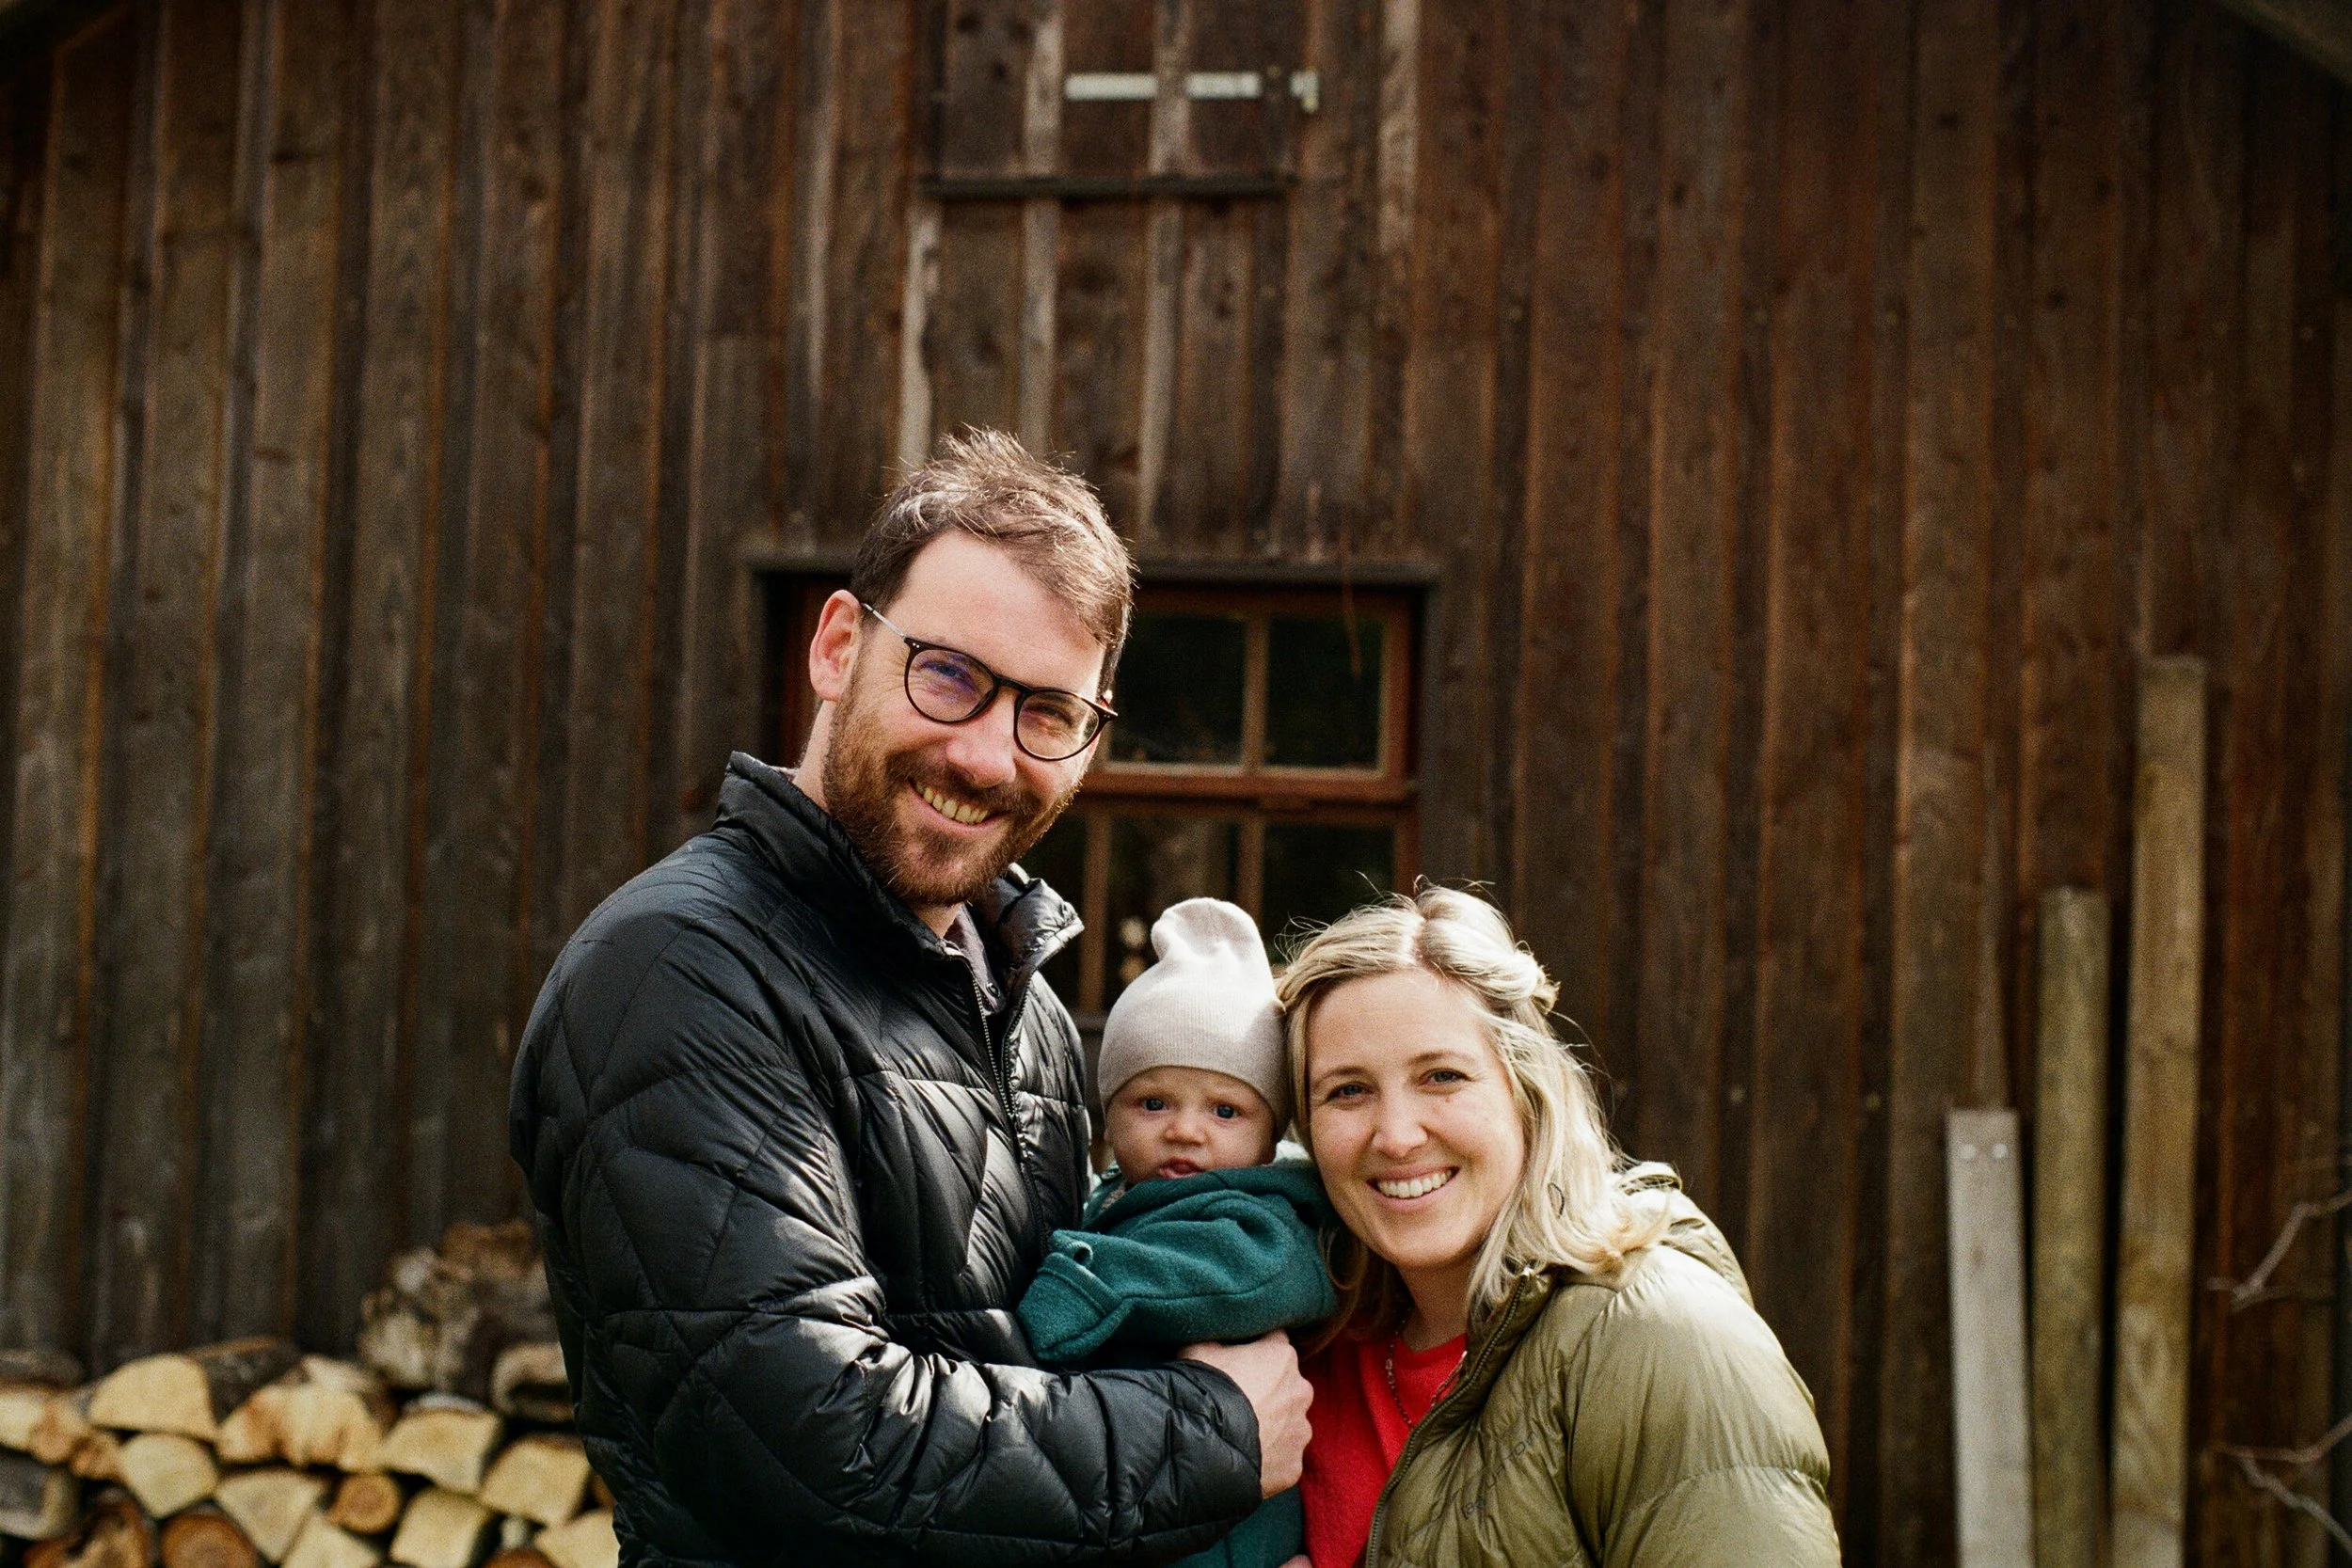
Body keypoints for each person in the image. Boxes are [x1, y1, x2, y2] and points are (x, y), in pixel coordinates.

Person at [509, 431, 1312, 1568]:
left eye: (1048, 712)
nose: (988, 753)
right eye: (948, 674)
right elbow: (811, 1449)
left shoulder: (1018, 1000)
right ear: (839, 645)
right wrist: (1217, 1429)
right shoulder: (682, 970)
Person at [1276, 886, 1839, 1568]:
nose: (1395, 1136)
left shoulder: (1659, 1339)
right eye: (1348, 1090)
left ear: (1527, 1090)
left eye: (1442, 1076)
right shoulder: (1303, 1353)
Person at [1016, 899, 1334, 1568]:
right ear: (1111, 1109)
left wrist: (1076, 1289)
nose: (1185, 1129)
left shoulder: (1261, 1220)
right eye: (1153, 1101)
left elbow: (1222, 1274)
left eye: (1225, 1108)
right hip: (1144, 1499)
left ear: (1269, 1129)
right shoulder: (1113, 1198)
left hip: (1234, 1536)